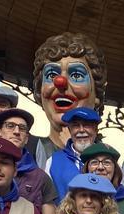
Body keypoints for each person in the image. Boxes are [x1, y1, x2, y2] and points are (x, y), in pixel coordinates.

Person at [29, 33, 108, 167]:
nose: (61, 82)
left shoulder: (106, 159)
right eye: (52, 74)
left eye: (76, 75)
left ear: (97, 95)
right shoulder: (26, 152)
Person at [45, 107, 101, 204]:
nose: (81, 130)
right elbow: (46, 200)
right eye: (75, 125)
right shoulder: (53, 161)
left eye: (87, 125)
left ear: (96, 130)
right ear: (70, 130)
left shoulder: (107, 161)